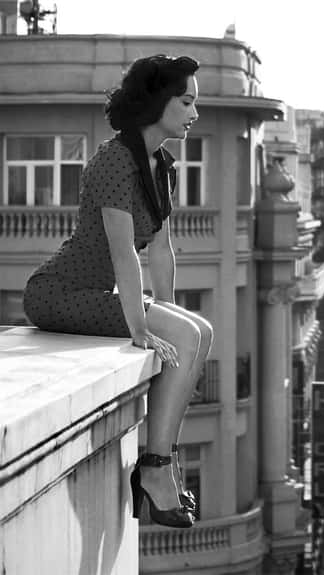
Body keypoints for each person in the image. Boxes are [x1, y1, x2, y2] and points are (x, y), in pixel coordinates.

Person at [22, 54, 211, 529]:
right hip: (58, 293)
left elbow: (161, 250)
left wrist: (166, 309)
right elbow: (125, 251)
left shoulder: (161, 165)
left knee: (199, 331)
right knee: (185, 337)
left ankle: (158, 464)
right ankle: (156, 471)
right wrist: (143, 326)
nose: (193, 113)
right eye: (186, 102)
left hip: (98, 297)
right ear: (156, 102)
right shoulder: (114, 160)